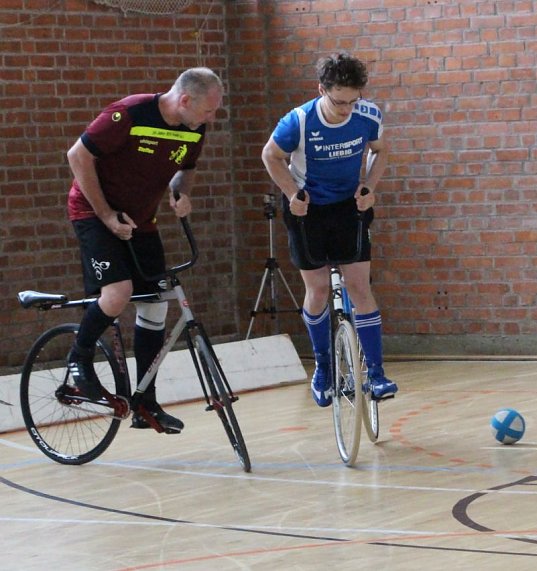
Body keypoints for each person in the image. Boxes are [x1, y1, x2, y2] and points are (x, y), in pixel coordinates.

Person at [66, 67, 224, 433]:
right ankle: (79, 359)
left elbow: (186, 168)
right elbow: (78, 156)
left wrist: (182, 193)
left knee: (156, 301)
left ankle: (145, 402)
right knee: (118, 293)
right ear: (184, 100)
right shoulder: (130, 114)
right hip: (93, 212)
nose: (211, 119)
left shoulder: (194, 127)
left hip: (141, 219)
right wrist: (105, 215)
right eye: (208, 111)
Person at [261, 52, 398, 407]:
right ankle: (323, 368)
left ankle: (378, 374)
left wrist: (369, 186)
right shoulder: (300, 121)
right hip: (308, 209)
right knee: (318, 289)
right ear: (321, 89)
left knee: (359, 286)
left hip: (348, 208)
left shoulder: (368, 116)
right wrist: (292, 193)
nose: (346, 109)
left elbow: (380, 151)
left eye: (353, 101)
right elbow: (270, 156)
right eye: (339, 101)